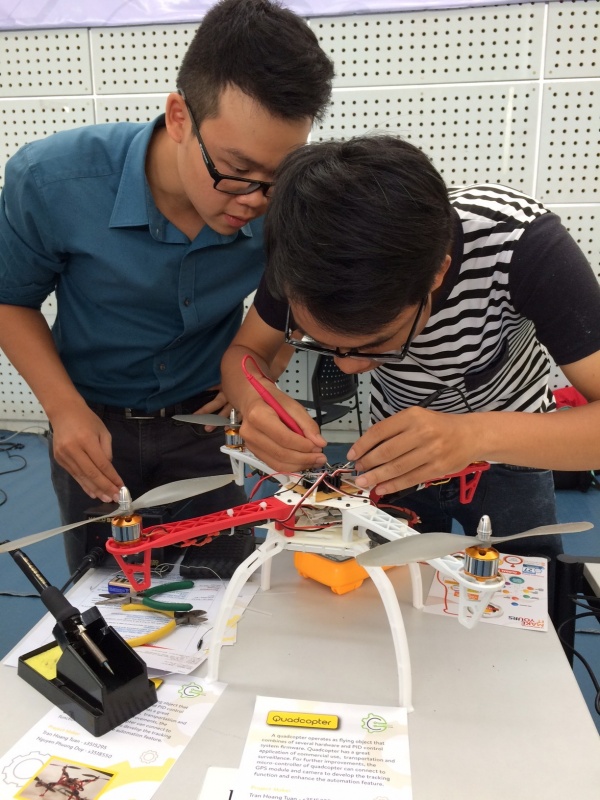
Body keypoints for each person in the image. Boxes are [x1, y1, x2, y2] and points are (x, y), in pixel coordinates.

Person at [0, 0, 334, 573]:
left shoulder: (290, 201)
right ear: (179, 116)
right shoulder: (52, 180)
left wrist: (257, 382)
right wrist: (63, 409)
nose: (254, 200)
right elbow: (10, 298)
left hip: (206, 426)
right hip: (90, 423)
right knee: (106, 593)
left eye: (276, 178)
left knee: (228, 588)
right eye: (235, 169)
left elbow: (292, 305)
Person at [221, 134, 600, 610]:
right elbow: (245, 352)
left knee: (526, 607)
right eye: (324, 343)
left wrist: (473, 435)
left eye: (377, 344)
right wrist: (255, 404)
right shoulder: (304, 258)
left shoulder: (520, 245)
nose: (347, 364)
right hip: (394, 457)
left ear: (438, 273)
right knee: (398, 604)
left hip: (515, 446)